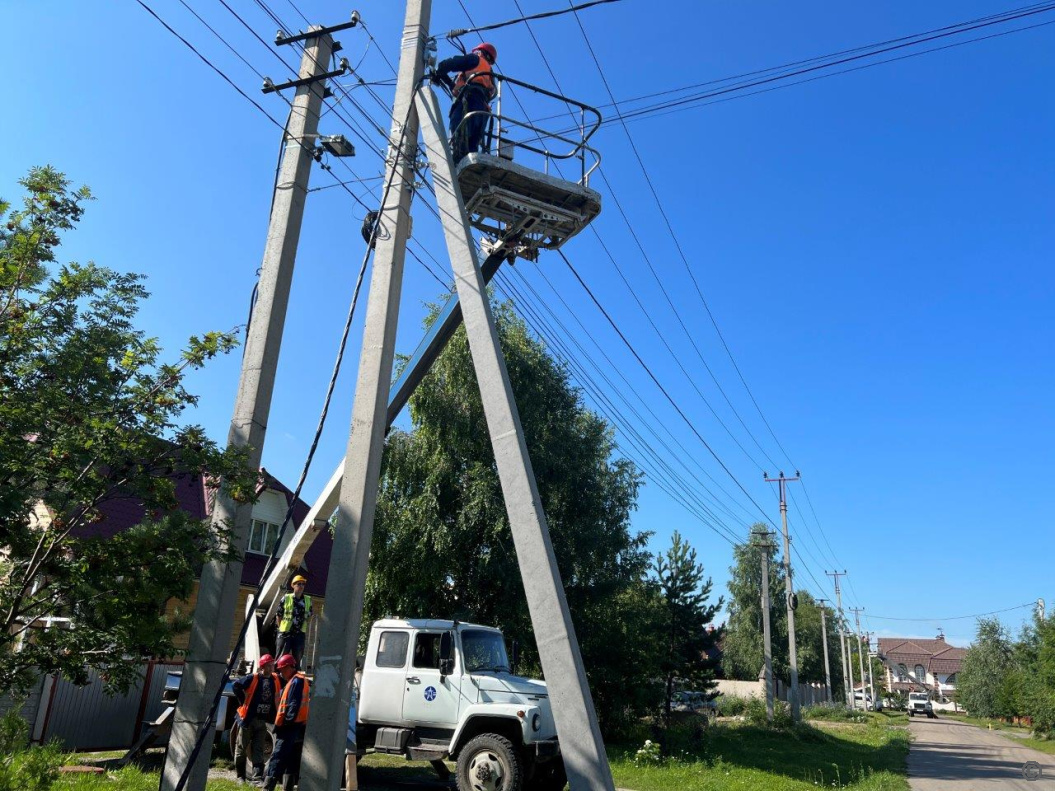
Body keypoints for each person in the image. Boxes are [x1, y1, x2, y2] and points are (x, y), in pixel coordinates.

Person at [433, 42, 498, 163]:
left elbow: (451, 63)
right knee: (472, 147)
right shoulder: (490, 74)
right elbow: (490, 92)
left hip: (469, 101)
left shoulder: (475, 59)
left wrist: (439, 70)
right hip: (482, 111)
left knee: (459, 135)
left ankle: (457, 161)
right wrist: (449, 82)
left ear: (480, 52)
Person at [232, 654, 281, 785]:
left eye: (272, 665)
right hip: (248, 719)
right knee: (242, 747)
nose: (272, 668)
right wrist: (243, 701)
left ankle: (257, 778)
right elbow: (235, 685)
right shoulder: (252, 678)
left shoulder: (275, 679)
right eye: (269, 665)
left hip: (262, 720)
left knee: (258, 749)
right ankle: (240, 777)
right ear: (262, 667)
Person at [263, 654, 310, 791]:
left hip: (289, 727)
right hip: (297, 726)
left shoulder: (296, 681)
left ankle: (267, 788)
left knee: (277, 758)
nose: (281, 673)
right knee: (291, 760)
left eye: (282, 669)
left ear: (289, 667)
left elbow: (293, 705)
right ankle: (287, 787)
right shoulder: (297, 680)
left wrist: (286, 724)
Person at [275, 575, 312, 667]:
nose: (301, 586)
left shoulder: (308, 600)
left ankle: (295, 679)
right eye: (299, 584)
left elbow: (310, 616)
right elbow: (279, 615)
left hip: (299, 635)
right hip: (285, 633)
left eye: (303, 584)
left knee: (297, 661)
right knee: (280, 659)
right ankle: (277, 679)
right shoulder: (286, 598)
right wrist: (281, 629)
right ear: (293, 585)